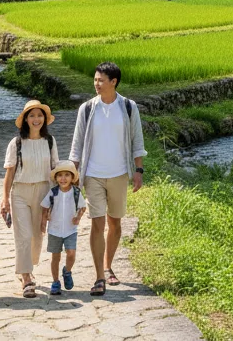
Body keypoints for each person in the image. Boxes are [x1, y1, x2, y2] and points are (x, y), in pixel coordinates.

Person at [68, 61, 145, 296]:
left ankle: (108, 265)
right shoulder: (88, 109)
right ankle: (99, 276)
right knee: (97, 223)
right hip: (93, 175)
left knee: (115, 223)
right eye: (95, 80)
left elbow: (137, 141)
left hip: (120, 173)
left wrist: (138, 171)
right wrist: (73, 174)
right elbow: (77, 144)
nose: (96, 84)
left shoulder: (129, 107)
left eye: (101, 80)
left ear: (114, 82)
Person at [0, 99, 60, 297]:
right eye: (32, 115)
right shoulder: (16, 143)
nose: (36, 119)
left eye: (39, 115)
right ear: (25, 119)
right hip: (20, 192)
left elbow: (55, 170)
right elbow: (9, 173)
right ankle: (26, 277)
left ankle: (29, 266)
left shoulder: (49, 142)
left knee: (37, 235)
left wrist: (56, 197)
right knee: (23, 235)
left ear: (44, 119)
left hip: (43, 191)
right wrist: (5, 199)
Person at [39, 160, 87, 295]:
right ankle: (55, 281)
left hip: (70, 229)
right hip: (54, 230)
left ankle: (67, 271)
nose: (63, 178)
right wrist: (44, 221)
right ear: (56, 178)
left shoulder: (76, 192)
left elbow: (83, 207)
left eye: (67, 175)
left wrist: (78, 218)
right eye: (60, 175)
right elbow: (44, 207)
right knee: (56, 256)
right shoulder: (53, 192)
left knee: (71, 253)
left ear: (72, 178)